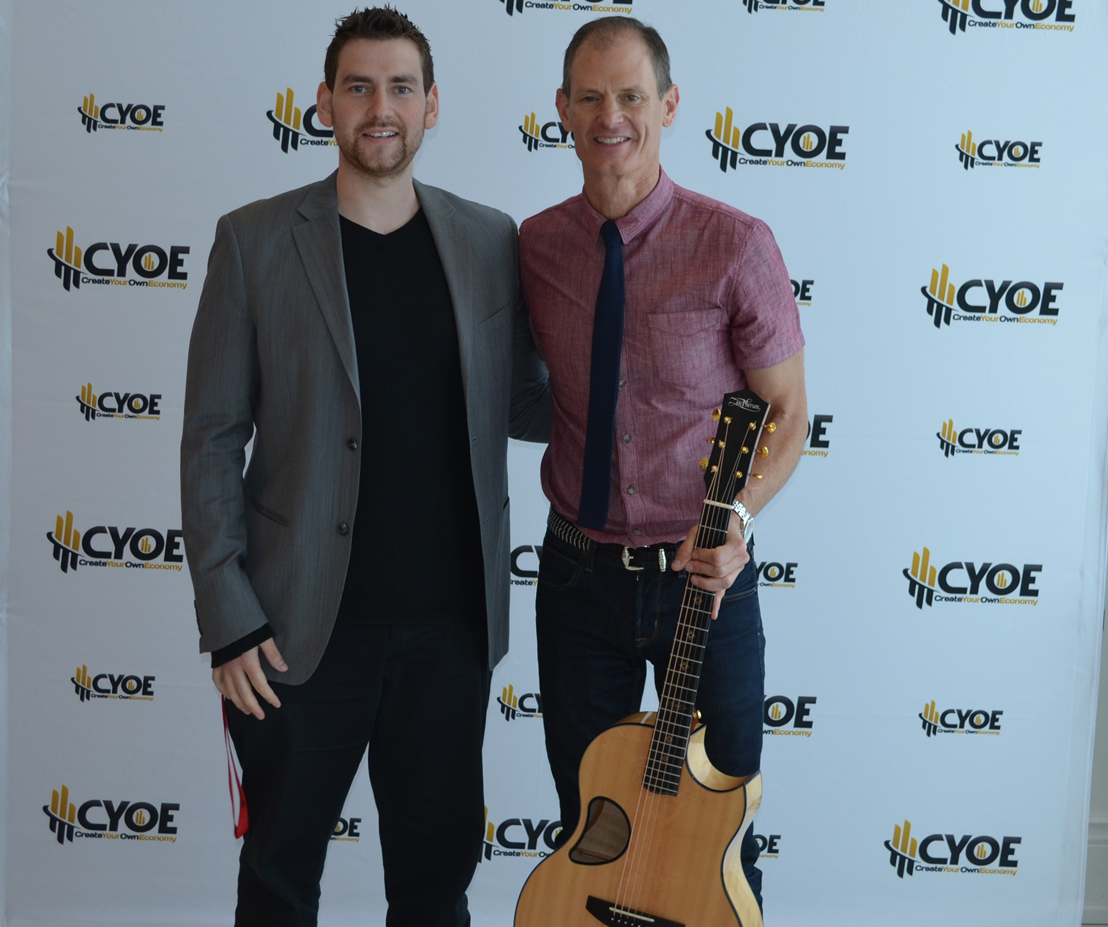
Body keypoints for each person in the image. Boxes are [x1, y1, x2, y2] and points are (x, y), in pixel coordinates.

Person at [179, 8, 549, 925]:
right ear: (324, 103)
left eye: (400, 88)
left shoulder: (490, 240)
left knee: (434, 889)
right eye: (359, 87)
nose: (380, 108)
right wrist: (227, 618)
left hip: (451, 632)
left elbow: (530, 404)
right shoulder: (254, 240)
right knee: (278, 880)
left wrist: (652, 376)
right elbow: (212, 437)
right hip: (294, 633)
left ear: (432, 106)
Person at [519, 16, 807, 908]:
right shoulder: (534, 247)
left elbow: (790, 413)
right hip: (578, 581)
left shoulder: (736, 244)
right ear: (562, 110)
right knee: (591, 836)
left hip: (706, 583)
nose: (611, 117)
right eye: (591, 98)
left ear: (670, 105)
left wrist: (738, 520)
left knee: (719, 839)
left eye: (631, 96)